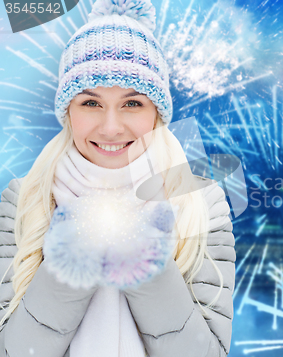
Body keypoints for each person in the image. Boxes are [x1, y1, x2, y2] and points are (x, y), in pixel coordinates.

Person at [0, 0, 235, 356]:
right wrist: (67, 270)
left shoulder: (201, 202)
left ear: (157, 112)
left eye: (133, 103)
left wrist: (148, 267)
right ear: (68, 111)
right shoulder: (24, 200)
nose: (111, 128)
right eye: (91, 103)